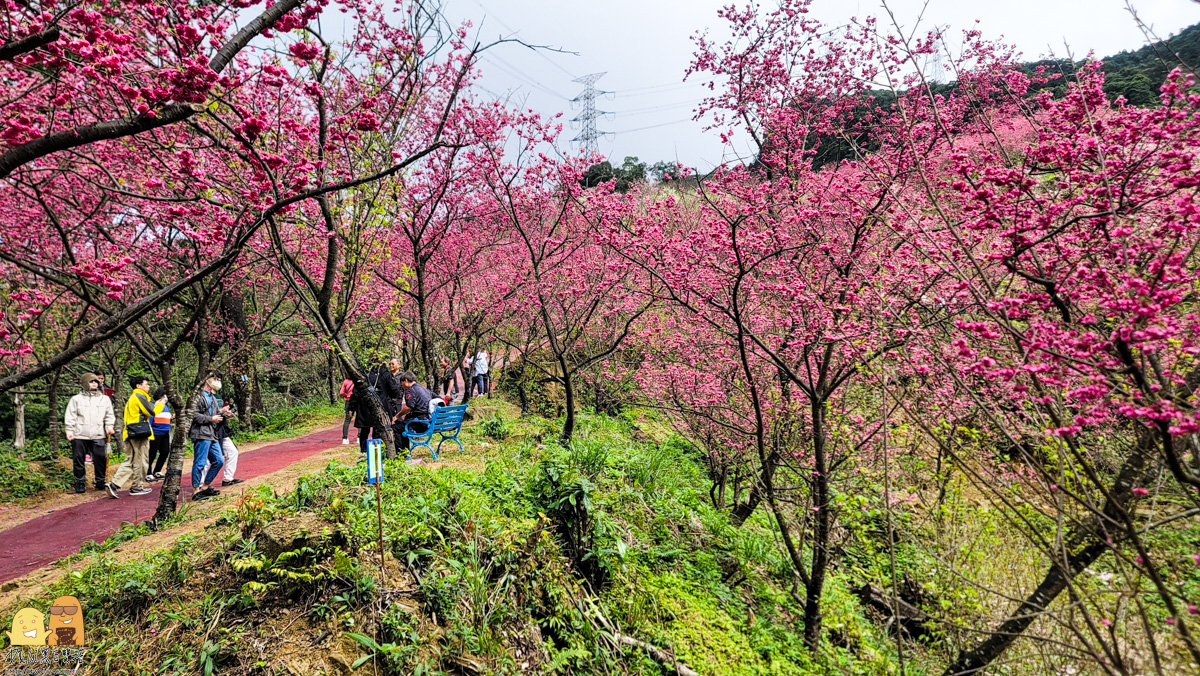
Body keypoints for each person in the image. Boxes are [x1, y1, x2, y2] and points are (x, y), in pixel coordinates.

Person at [63, 373, 115, 494]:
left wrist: (109, 426)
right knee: (78, 459)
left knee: (100, 458)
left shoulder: (105, 399)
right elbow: (71, 416)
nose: (94, 384)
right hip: (79, 434)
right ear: (85, 383)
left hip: (98, 434)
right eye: (91, 382)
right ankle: (80, 483)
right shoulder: (76, 399)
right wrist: (69, 430)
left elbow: (109, 415)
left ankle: (100, 481)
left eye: (96, 382)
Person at [105, 376, 155, 498]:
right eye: (146, 384)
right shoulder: (140, 396)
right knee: (141, 461)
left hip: (130, 432)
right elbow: (152, 411)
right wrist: (158, 404)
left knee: (130, 460)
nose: (148, 387)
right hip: (138, 434)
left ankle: (114, 484)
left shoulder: (132, 397)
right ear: (138, 386)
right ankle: (137, 487)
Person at [347, 362, 402, 457]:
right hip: (381, 404)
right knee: (379, 429)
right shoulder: (386, 374)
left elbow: (356, 392)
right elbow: (394, 390)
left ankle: (364, 451)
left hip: (364, 405)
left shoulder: (363, 373)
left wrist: (351, 407)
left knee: (364, 430)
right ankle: (377, 450)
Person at [189, 374, 226, 501]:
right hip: (200, 433)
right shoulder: (198, 396)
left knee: (219, 460)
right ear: (207, 380)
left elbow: (216, 413)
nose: (218, 382)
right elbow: (193, 415)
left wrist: (224, 413)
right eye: (215, 379)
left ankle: (204, 487)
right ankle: (195, 491)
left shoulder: (212, 397)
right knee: (200, 462)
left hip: (211, 434)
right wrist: (211, 419)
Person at [394, 371, 432, 452]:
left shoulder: (410, 390)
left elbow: (408, 407)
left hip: (420, 422)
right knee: (403, 426)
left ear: (406, 380)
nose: (401, 385)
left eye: (402, 383)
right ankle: (405, 451)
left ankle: (400, 453)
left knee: (396, 428)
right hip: (428, 421)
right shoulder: (423, 389)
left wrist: (397, 416)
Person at [145, 387, 173, 482]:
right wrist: (149, 434)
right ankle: (148, 472)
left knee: (165, 452)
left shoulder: (166, 407)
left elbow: (165, 419)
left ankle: (157, 470)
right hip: (156, 433)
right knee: (152, 453)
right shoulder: (154, 406)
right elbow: (150, 420)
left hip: (165, 433)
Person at [214, 398, 243, 487]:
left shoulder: (217, 396)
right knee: (209, 460)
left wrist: (225, 414)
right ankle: (200, 485)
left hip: (222, 431)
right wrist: (221, 411)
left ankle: (228, 479)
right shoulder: (203, 396)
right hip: (211, 431)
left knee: (232, 452)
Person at [339, 377, 355, 445]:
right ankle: (359, 437)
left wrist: (347, 396)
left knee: (347, 420)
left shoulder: (345, 381)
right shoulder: (356, 380)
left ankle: (345, 438)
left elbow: (341, 392)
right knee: (359, 418)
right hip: (357, 401)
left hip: (348, 400)